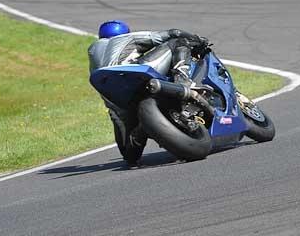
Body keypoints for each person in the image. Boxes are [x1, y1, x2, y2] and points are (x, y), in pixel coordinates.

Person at [88, 20, 210, 166]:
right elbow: (173, 33)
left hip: (117, 100)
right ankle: (182, 81)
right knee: (178, 42)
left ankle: (142, 129)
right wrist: (197, 40)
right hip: (135, 76)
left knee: (130, 155)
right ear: (125, 32)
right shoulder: (129, 38)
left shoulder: (92, 50)